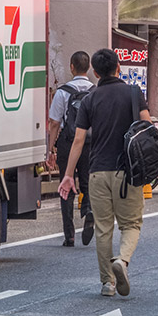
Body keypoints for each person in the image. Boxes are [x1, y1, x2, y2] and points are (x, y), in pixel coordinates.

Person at [58, 48, 150, 297]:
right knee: (131, 224)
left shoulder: (89, 98)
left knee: (103, 228)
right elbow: (147, 128)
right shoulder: (133, 94)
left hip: (98, 172)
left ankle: (108, 283)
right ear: (118, 66)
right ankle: (123, 261)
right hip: (127, 172)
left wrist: (68, 175)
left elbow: (78, 141)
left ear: (95, 72)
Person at [46, 51, 94, 247]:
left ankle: (69, 235)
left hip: (68, 142)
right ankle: (89, 210)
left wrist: (50, 149)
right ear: (89, 68)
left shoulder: (63, 91)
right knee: (87, 181)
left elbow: (55, 122)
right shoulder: (95, 91)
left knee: (66, 185)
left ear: (71, 67)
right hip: (90, 142)